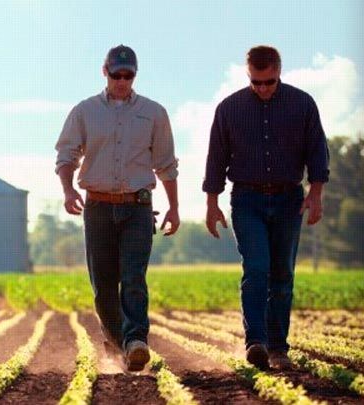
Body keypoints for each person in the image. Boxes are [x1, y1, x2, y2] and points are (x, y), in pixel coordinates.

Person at [203, 45, 329, 370]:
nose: (262, 89)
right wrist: (212, 203)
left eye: (268, 82)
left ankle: (278, 348)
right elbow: (216, 158)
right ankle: (255, 342)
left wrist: (316, 193)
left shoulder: (302, 104)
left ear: (279, 72)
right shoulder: (229, 109)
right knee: (257, 267)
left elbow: (317, 150)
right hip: (246, 199)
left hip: (289, 199)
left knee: (282, 274)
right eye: (255, 82)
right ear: (248, 75)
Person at [55, 44, 180, 372]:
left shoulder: (154, 113)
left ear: (135, 75)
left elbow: (166, 164)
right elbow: (66, 156)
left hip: (138, 208)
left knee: (134, 275)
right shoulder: (85, 111)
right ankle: (116, 339)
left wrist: (174, 207)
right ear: (105, 72)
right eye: (116, 74)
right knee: (104, 285)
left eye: (129, 75)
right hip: (97, 207)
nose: (122, 81)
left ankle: (136, 340)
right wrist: (68, 191)